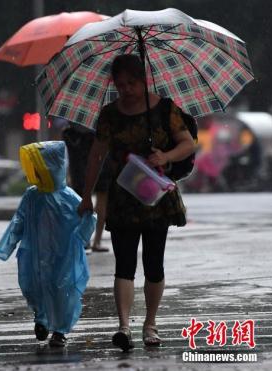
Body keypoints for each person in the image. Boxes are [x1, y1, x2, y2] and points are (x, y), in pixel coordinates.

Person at [77, 54, 195, 351]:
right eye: (120, 85)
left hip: (157, 197)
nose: (126, 89)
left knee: (154, 264)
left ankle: (150, 324)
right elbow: (96, 155)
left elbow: (188, 143)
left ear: (144, 80)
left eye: (131, 83)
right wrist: (86, 195)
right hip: (123, 198)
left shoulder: (165, 109)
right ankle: (124, 326)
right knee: (124, 264)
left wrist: (165, 157)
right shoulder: (109, 115)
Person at [0, 141, 96, 347]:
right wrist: (7, 246)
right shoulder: (32, 195)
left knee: (62, 290)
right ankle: (41, 319)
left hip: (63, 255)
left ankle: (60, 330)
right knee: (34, 286)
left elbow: (89, 217)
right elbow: (19, 220)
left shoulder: (69, 197)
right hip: (35, 254)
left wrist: (80, 239)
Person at [62, 124, 111, 252]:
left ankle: (84, 240)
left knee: (80, 202)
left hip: (78, 168)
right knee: (101, 200)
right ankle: (97, 242)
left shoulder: (70, 130)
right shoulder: (102, 119)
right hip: (101, 162)